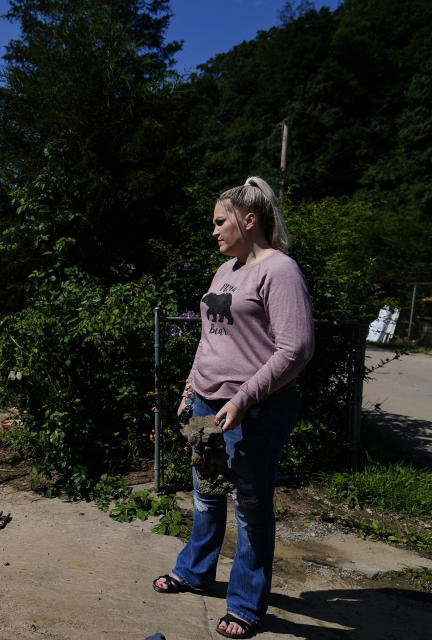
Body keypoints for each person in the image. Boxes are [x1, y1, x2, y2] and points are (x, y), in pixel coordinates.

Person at [152, 176, 315, 639]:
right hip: (208, 401)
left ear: (249, 221)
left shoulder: (279, 270)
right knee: (205, 494)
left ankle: (244, 604)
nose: (214, 230)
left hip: (256, 408)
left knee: (250, 506)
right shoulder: (225, 271)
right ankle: (196, 572)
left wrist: (243, 399)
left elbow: (296, 348)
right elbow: (210, 339)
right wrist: (189, 390)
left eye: (220, 221)